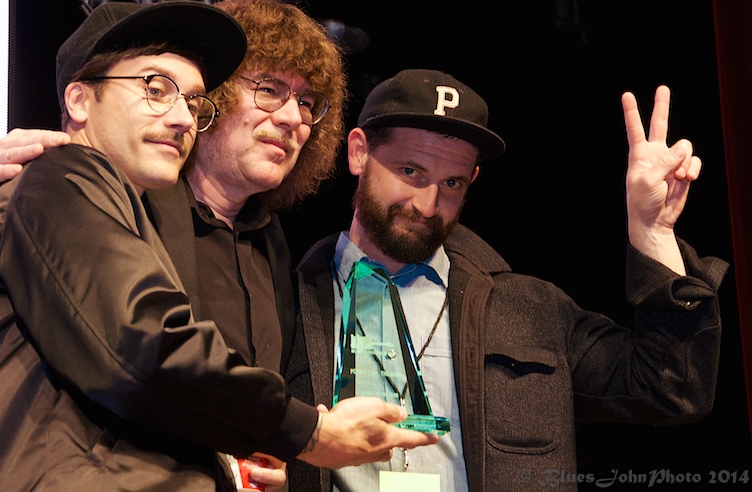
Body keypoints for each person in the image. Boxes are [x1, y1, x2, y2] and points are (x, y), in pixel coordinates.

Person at [0, 0, 436, 490]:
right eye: (271, 89)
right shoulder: (80, 179)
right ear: (79, 99)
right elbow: (142, 352)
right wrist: (311, 432)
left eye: (309, 102)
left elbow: (196, 395)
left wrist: (258, 457)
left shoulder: (273, 245)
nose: (293, 117)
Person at [285, 69, 727, 492]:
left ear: (473, 179)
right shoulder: (286, 298)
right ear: (359, 151)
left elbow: (671, 389)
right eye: (410, 172)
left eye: (452, 182)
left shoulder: (530, 309)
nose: (427, 204)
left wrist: (653, 234)